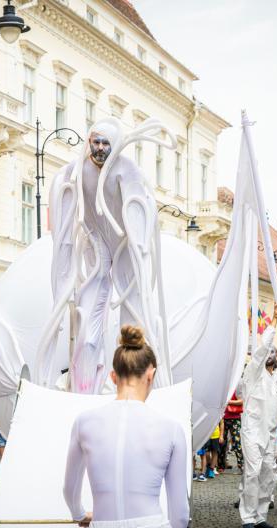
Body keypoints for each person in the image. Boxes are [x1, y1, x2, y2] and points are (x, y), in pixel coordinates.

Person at [40, 117, 177, 394]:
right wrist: (64, 273)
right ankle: (84, 386)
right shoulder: (73, 173)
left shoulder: (127, 170)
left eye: (106, 143)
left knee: (134, 311)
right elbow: (65, 229)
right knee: (87, 311)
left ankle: (134, 383)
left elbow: (139, 218)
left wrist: (138, 247)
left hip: (125, 243)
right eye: (96, 142)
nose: (100, 148)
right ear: (89, 142)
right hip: (96, 242)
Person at [63, 325, 188, 528]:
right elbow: (179, 513)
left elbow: (69, 490)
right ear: (151, 375)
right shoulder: (171, 429)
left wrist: (80, 514)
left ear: (113, 376)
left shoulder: (84, 422)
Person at [238, 304, 277, 528]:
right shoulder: (252, 374)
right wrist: (275, 322)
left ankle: (260, 515)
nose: (270, 355)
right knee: (252, 472)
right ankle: (247, 516)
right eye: (268, 352)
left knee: (269, 473)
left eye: (273, 353)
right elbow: (262, 349)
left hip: (271, 432)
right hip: (252, 431)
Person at [223, 392, 243, 471]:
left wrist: (228, 401)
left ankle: (241, 464)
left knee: (236, 441)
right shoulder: (222, 389)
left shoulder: (235, 388)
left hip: (235, 417)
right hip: (223, 418)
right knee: (222, 442)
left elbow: (241, 401)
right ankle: (221, 464)